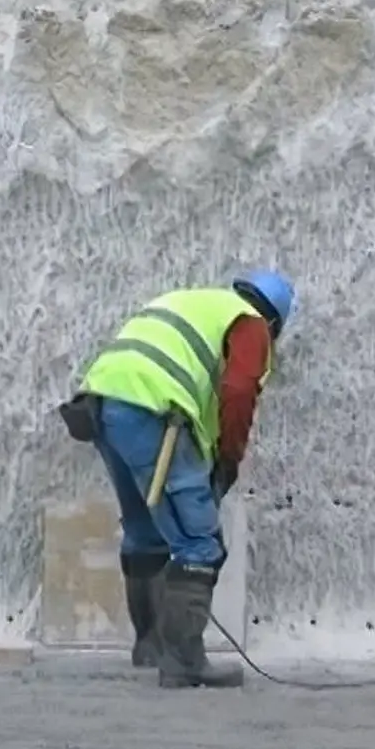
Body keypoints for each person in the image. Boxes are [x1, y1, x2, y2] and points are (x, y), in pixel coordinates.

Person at [59, 268, 294, 689]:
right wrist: (227, 461)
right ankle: (184, 661)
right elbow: (239, 392)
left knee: (144, 530)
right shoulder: (251, 324)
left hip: (103, 405)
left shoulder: (191, 301)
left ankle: (148, 646)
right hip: (153, 411)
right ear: (273, 321)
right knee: (199, 542)